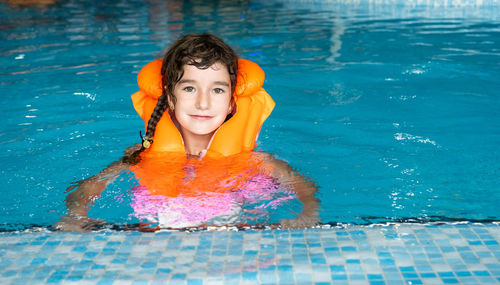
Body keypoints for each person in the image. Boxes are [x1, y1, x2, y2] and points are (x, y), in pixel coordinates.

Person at [55, 33, 319, 232]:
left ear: (231, 102)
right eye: (189, 88)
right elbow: (90, 186)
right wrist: (77, 215)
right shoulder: (142, 155)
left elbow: (303, 187)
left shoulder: (255, 161)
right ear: (170, 97)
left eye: (217, 90)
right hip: (156, 234)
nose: (203, 103)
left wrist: (308, 214)